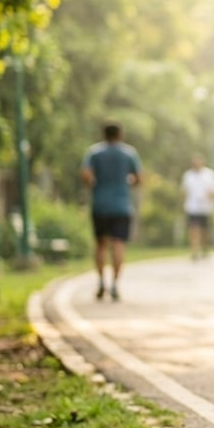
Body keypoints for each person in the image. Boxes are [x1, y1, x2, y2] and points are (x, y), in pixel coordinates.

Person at [80, 120, 142, 301]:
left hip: (100, 204)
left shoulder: (94, 152)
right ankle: (115, 283)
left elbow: (86, 175)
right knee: (118, 244)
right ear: (120, 134)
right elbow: (139, 178)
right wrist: (127, 181)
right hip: (122, 205)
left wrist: (95, 184)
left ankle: (100, 281)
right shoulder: (129, 153)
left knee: (100, 244)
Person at [181, 153, 214, 260]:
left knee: (204, 231)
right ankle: (194, 250)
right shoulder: (188, 175)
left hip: (205, 208)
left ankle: (205, 248)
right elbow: (184, 191)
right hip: (192, 207)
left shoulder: (209, 174)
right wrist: (183, 206)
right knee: (193, 229)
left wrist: (210, 199)